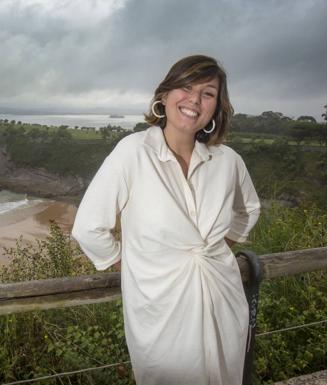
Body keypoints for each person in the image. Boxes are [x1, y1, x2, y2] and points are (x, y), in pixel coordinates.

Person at [71, 55, 260, 385]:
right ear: (165, 94)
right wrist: (131, 266)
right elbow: (88, 227)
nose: (194, 100)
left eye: (208, 93)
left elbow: (249, 210)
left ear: (216, 108)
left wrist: (219, 248)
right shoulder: (132, 152)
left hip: (223, 298)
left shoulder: (228, 161)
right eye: (186, 87)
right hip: (158, 307)